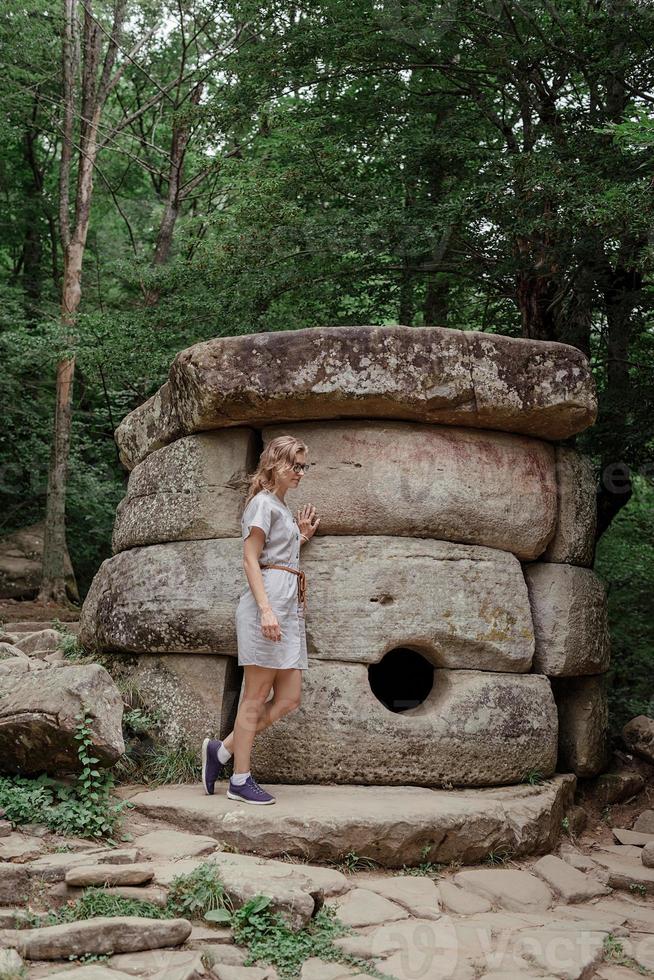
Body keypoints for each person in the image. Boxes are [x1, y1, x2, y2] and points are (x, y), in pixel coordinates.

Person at [201, 435, 320, 804]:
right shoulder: (261, 504)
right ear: (273, 463)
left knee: (288, 697)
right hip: (265, 606)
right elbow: (251, 559)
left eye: (303, 466)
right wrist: (266, 609)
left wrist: (299, 537)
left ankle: (221, 752)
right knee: (255, 696)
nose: (299, 472)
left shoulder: (280, 506)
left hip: (287, 606)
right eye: (293, 465)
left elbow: (276, 553)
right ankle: (239, 779)